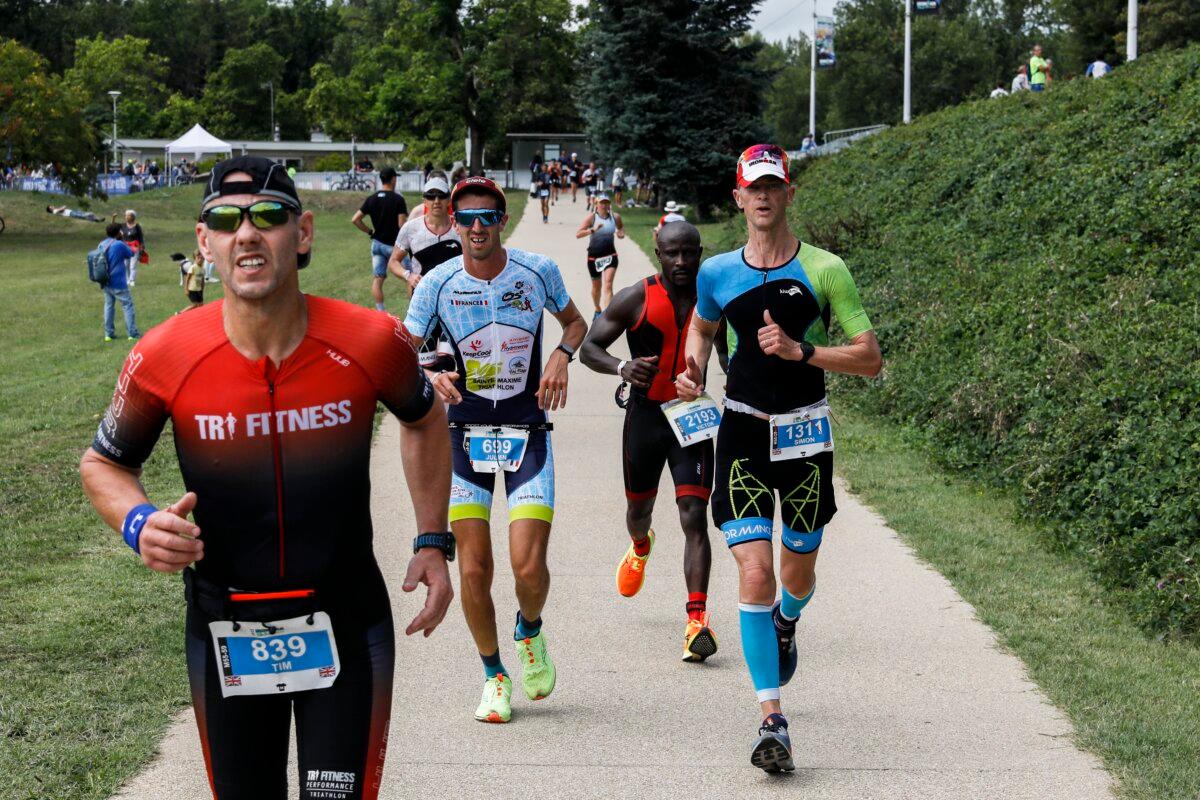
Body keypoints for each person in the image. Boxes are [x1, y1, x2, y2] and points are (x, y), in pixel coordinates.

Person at [80, 156, 454, 800]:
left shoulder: (371, 340)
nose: (247, 233)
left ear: (302, 233)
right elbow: (104, 463)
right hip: (224, 626)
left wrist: (432, 539)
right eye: (226, 220)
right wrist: (139, 523)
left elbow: (425, 419)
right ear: (205, 243)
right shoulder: (165, 354)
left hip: (346, 622)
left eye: (269, 216)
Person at [675, 144, 881, 773]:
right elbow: (702, 328)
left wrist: (802, 352)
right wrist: (692, 370)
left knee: (797, 572)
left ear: (789, 193)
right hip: (741, 429)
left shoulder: (825, 269)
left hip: (805, 436)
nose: (763, 196)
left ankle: (787, 621)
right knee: (754, 573)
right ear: (738, 198)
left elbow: (870, 358)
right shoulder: (717, 272)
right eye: (753, 188)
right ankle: (772, 719)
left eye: (773, 186)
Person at [403, 176, 587, 725]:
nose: (477, 227)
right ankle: (494, 675)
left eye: (488, 216)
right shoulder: (437, 282)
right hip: (463, 437)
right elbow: (403, 350)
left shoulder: (536, 271)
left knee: (528, 566)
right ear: (453, 223)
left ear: (503, 220)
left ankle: (529, 630)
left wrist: (561, 356)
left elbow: (575, 323)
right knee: (475, 570)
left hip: (528, 432)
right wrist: (429, 374)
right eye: (466, 218)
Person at [579, 220, 718, 662]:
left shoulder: (714, 298)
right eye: (672, 253)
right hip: (645, 418)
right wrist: (622, 367)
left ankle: (696, 621)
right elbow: (589, 349)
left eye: (689, 252)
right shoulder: (635, 296)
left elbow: (734, 353)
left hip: (691, 419)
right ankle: (641, 545)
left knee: (694, 514)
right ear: (658, 253)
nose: (681, 261)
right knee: (638, 512)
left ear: (700, 253)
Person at [388, 174, 462, 372]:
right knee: (426, 365)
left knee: (449, 363)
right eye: (431, 196)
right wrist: (408, 276)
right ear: (424, 200)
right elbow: (393, 262)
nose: (436, 201)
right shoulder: (411, 228)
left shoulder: (460, 227)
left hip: (453, 305)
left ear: (449, 199)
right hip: (423, 305)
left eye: (441, 196)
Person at [352, 166, 409, 311]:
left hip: (377, 244)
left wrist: (370, 231)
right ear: (393, 179)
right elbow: (401, 225)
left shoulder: (371, 199)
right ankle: (415, 310)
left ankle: (380, 312)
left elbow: (355, 219)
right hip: (394, 246)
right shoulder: (398, 199)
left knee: (378, 279)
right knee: (411, 276)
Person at [575, 193, 625, 315]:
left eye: (606, 202)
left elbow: (621, 228)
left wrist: (620, 233)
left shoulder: (615, 217)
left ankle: (607, 316)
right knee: (596, 288)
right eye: (602, 202)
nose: (604, 205)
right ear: (596, 204)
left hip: (610, 255)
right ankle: (597, 309)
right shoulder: (592, 218)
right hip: (594, 257)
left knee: (608, 285)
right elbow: (578, 234)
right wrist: (593, 230)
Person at [96, 222, 141, 342]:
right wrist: (124, 242)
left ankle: (108, 334)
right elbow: (131, 253)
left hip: (106, 281)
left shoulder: (101, 244)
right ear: (118, 233)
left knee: (109, 306)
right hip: (118, 282)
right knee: (127, 305)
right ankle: (132, 333)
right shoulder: (119, 244)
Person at [121, 210, 145, 287]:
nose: (126, 217)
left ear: (133, 217)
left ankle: (132, 280)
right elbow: (113, 228)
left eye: (128, 215)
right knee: (126, 264)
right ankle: (127, 279)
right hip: (125, 247)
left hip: (135, 247)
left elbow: (141, 237)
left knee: (133, 265)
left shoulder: (137, 226)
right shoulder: (123, 225)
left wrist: (142, 247)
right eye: (126, 215)